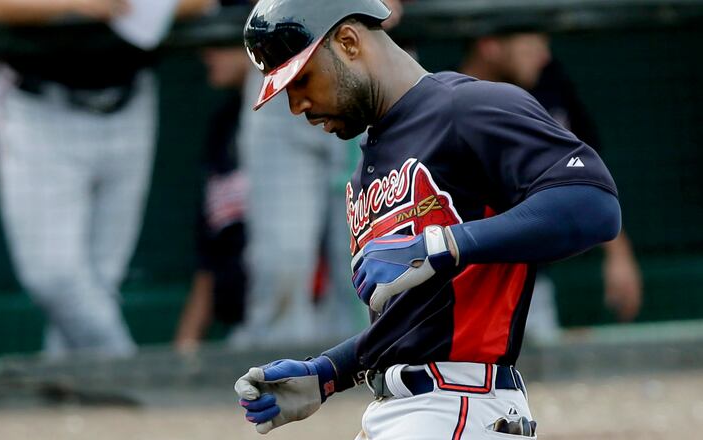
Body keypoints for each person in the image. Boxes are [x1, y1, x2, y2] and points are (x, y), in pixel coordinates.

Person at [233, 0, 621, 438]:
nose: (296, 104)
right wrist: (328, 372)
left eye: (301, 79)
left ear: (347, 41)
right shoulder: (367, 168)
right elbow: (416, 320)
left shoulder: (467, 107)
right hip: (401, 412)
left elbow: (594, 204)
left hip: (460, 406)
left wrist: (440, 244)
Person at [0, 0, 215, 357]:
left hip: (128, 98)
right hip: (38, 105)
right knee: (53, 277)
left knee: (100, 282)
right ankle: (129, 373)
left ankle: (71, 394)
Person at [227, 0, 404, 350]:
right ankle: (282, 384)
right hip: (287, 52)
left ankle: (372, 372)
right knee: (282, 260)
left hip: (367, 64)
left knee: (372, 258)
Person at [458, 32, 642, 342]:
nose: (544, 56)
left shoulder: (548, 88)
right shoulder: (439, 100)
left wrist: (618, 254)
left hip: (527, 280)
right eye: (532, 45)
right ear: (489, 44)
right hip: (454, 281)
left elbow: (584, 177)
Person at [173, 40, 250, 353]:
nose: (206, 52)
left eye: (221, 43)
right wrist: (186, 347)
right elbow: (211, 258)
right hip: (243, 329)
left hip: (319, 323)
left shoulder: (312, 119)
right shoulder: (223, 126)